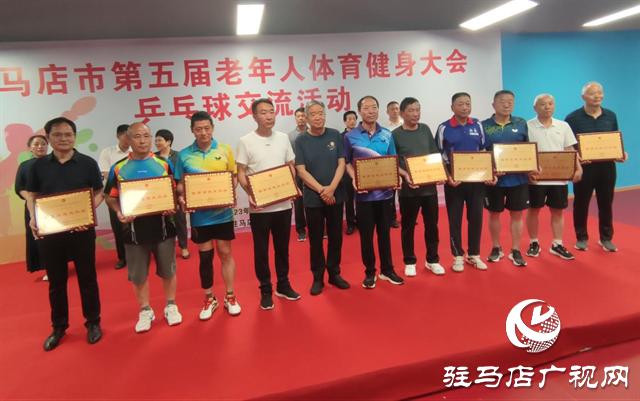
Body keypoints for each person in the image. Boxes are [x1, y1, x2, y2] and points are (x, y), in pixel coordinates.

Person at [25, 117, 104, 351]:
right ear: (48, 138)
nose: (64, 139)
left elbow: (99, 192)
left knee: (87, 278)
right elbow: (33, 195)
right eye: (58, 134)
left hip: (82, 231)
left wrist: (87, 214)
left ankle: (93, 322)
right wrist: (33, 218)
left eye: (69, 134)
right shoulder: (38, 166)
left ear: (74, 137)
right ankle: (59, 326)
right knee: (56, 281)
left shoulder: (87, 163)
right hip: (52, 232)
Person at [104, 122, 182, 333]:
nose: (143, 141)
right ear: (128, 140)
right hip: (133, 231)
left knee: (168, 271)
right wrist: (119, 211)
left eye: (146, 136)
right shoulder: (119, 167)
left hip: (163, 227)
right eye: (137, 136)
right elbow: (109, 196)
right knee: (138, 275)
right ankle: (146, 310)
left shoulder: (164, 164)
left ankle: (171, 305)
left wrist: (173, 204)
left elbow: (174, 191)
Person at [175, 111, 241, 319]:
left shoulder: (225, 149)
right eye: (198, 129)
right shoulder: (184, 155)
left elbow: (233, 177)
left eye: (206, 128)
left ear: (212, 128)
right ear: (192, 130)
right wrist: (184, 196)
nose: (203, 132)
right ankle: (209, 298)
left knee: (225, 254)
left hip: (223, 214)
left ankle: (230, 296)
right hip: (199, 216)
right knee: (205, 258)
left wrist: (231, 191)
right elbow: (179, 184)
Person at [237, 99, 301, 310]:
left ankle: (283, 285)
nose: (269, 116)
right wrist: (250, 194)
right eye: (263, 112)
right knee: (261, 250)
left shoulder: (283, 138)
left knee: (283, 249)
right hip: (260, 208)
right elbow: (241, 172)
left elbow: (290, 165)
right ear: (254, 117)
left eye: (271, 112)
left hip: (283, 205)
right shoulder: (245, 141)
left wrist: (292, 186)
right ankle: (265, 289)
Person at [344, 95, 404, 288]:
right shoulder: (350, 136)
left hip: (385, 194)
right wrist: (354, 178)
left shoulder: (387, 134)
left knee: (385, 234)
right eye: (366, 108)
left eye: (374, 107)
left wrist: (397, 177)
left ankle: (387, 270)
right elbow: (346, 163)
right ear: (359, 112)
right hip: (363, 196)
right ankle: (370, 272)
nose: (371, 111)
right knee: (366, 236)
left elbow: (393, 159)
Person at [294, 100, 350, 295]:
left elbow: (341, 163)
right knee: (316, 240)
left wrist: (332, 188)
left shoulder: (334, 134)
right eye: (313, 114)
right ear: (307, 118)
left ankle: (334, 273)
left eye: (320, 113)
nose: (317, 117)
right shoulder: (301, 140)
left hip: (336, 194)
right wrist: (322, 191)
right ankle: (318, 278)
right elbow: (301, 170)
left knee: (336, 237)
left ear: (325, 115)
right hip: (313, 198)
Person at [565, 82, 628, 252]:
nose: (597, 96)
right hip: (584, 168)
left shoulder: (610, 116)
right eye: (592, 93)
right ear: (583, 97)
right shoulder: (572, 118)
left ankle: (606, 238)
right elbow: (567, 144)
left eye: (600, 92)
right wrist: (576, 157)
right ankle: (581, 238)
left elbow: (614, 139)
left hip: (607, 168)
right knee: (581, 203)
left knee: (606, 203)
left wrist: (621, 152)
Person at [436, 93, 495, 273]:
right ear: (452, 107)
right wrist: (447, 177)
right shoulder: (444, 128)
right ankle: (458, 255)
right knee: (455, 219)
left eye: (468, 104)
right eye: (460, 104)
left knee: (476, 217)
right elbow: (439, 156)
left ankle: (474, 254)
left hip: (476, 179)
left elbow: (484, 150)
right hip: (454, 180)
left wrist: (490, 172)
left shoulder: (477, 124)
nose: (464, 107)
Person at [392, 97, 445, 277]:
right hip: (408, 190)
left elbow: (434, 154)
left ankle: (433, 260)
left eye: (418, 110)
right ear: (401, 113)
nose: (415, 114)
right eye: (411, 111)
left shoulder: (425, 129)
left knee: (432, 226)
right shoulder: (395, 135)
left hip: (429, 189)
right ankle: (409, 261)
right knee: (408, 227)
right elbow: (393, 162)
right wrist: (405, 175)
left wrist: (440, 174)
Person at [526, 94, 583, 260]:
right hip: (536, 179)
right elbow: (525, 152)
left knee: (558, 211)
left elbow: (570, 149)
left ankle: (557, 244)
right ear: (535, 108)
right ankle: (534, 242)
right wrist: (528, 172)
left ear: (554, 106)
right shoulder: (527, 126)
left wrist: (578, 168)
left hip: (559, 177)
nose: (547, 107)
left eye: (550, 104)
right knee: (533, 210)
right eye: (543, 104)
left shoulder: (563, 126)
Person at [481, 90, 530, 267]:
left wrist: (532, 167)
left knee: (517, 214)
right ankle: (496, 247)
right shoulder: (484, 125)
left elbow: (528, 149)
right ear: (494, 105)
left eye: (510, 102)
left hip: (518, 179)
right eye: (502, 101)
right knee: (494, 214)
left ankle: (515, 249)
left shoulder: (521, 123)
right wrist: (490, 171)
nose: (507, 105)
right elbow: (482, 151)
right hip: (494, 180)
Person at [15, 135, 49, 280]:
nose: (40, 147)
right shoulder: (25, 166)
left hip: (53, 205)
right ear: (30, 148)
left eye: (43, 144)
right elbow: (19, 187)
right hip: (33, 206)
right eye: (36, 144)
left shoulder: (53, 162)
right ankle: (49, 269)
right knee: (40, 238)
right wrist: (30, 197)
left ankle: (61, 265)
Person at [98, 124, 131, 269]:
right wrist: (124, 182)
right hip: (114, 196)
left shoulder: (135, 151)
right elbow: (106, 173)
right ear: (118, 136)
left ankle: (138, 256)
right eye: (125, 136)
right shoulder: (108, 152)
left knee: (136, 226)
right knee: (118, 227)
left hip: (133, 195)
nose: (129, 139)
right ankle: (122, 257)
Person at [155, 129, 190, 260]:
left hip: (176, 194)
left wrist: (181, 194)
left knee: (180, 220)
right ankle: (163, 249)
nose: (157, 143)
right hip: (159, 195)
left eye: (160, 140)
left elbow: (183, 175)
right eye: (156, 140)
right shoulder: (152, 157)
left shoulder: (178, 156)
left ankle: (184, 246)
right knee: (160, 222)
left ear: (168, 142)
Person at [287, 107, 309, 242]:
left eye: (303, 116)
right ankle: (301, 230)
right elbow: (290, 157)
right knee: (299, 203)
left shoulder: (313, 133)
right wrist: (300, 167)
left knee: (315, 201)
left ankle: (318, 227)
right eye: (298, 116)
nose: (301, 118)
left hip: (313, 173)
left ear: (307, 118)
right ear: (295, 118)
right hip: (297, 173)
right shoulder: (290, 136)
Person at [384, 101, 402, 229]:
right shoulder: (384, 129)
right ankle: (392, 218)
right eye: (392, 109)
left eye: (397, 108)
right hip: (391, 164)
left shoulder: (405, 125)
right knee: (392, 194)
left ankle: (407, 216)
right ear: (387, 112)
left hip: (404, 162)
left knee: (405, 193)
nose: (395, 111)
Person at [341, 110, 358, 235]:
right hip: (347, 173)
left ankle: (361, 221)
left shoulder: (361, 134)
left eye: (354, 119)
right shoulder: (341, 136)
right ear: (344, 121)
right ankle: (350, 223)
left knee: (361, 199)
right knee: (349, 200)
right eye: (349, 119)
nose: (352, 121)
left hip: (361, 171)